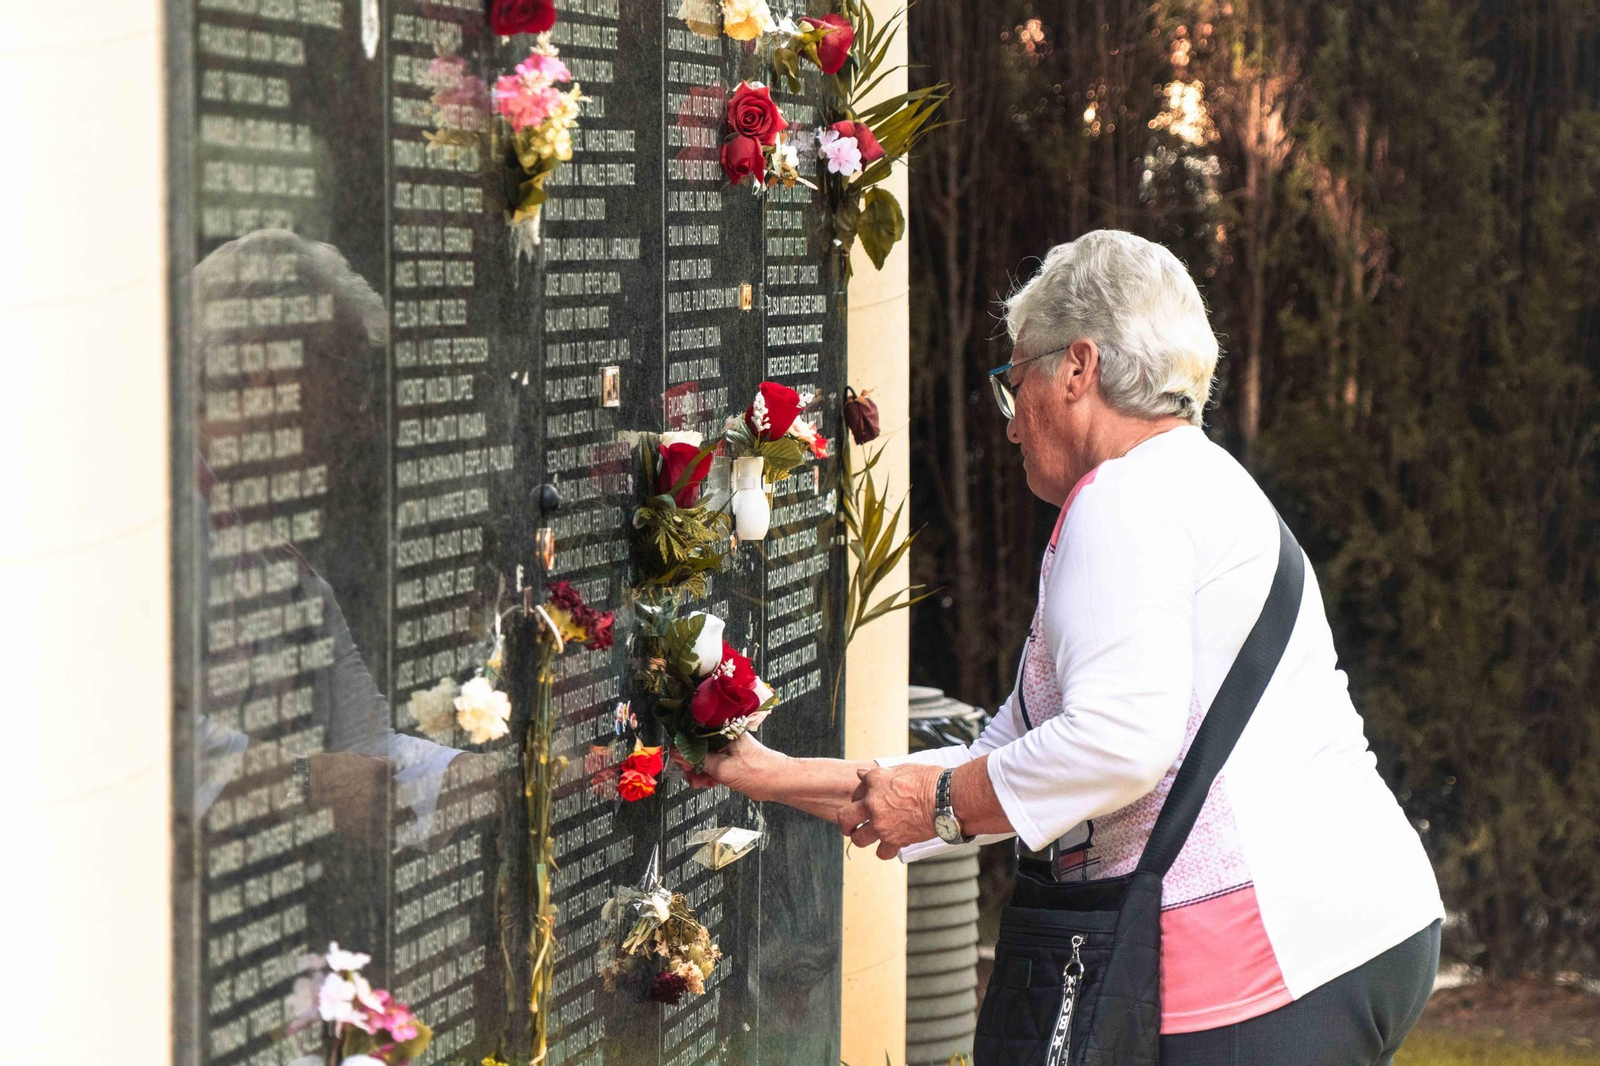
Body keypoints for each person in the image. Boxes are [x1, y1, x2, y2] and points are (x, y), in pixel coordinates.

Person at [694, 230, 1445, 1064]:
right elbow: (999, 760)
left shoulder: (1121, 500)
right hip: (1364, 925)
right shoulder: (1200, 481)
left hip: (1260, 953)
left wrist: (940, 803)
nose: (1012, 425)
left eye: (1015, 381)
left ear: (1078, 368)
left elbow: (1117, 742)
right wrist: (760, 772)